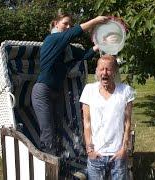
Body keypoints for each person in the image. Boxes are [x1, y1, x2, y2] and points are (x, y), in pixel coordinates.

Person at [31, 13, 109, 155]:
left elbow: (84, 55)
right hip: (42, 92)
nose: (68, 27)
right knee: (48, 131)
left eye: (70, 25)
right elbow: (73, 33)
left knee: (61, 127)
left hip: (57, 92)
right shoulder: (52, 39)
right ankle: (49, 169)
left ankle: (62, 160)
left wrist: (98, 46)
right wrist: (95, 20)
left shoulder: (66, 48)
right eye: (65, 23)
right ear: (55, 24)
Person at [80, 55, 135, 180]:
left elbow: (127, 123)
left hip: (118, 155)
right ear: (97, 71)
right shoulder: (89, 90)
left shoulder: (126, 91)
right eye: (101, 69)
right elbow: (87, 123)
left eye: (108, 69)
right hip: (96, 156)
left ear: (115, 72)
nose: (104, 72)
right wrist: (90, 150)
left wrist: (124, 149)